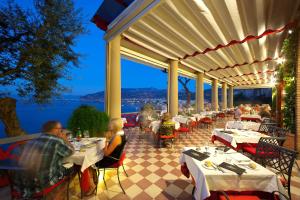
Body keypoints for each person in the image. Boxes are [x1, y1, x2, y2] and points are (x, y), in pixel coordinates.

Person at [14, 121, 74, 199]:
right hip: (42, 183)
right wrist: (65, 139)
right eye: (61, 129)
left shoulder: (33, 141)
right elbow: (70, 151)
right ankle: (60, 194)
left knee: (56, 164)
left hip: (24, 184)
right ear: (55, 129)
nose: (61, 131)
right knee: (72, 168)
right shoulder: (56, 141)